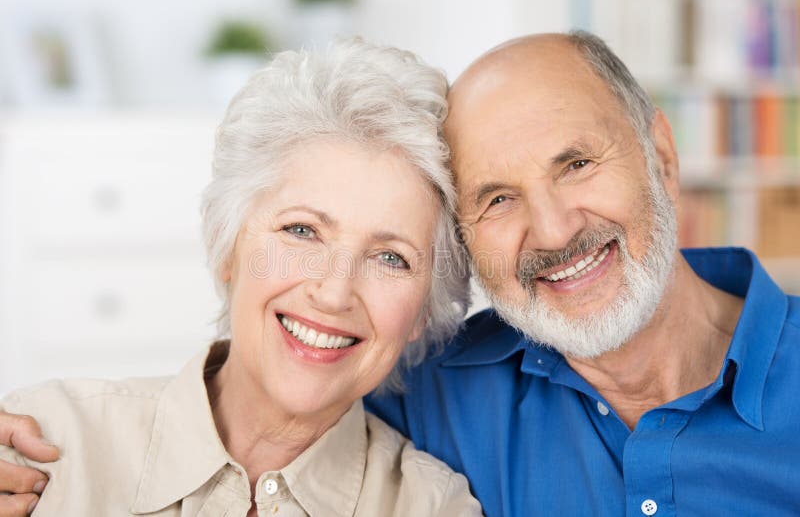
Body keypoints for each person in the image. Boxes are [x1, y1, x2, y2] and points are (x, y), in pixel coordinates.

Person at [4, 30, 800, 516]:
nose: (554, 229)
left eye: (579, 163)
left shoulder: (427, 492)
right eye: (497, 198)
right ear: (224, 241)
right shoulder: (45, 445)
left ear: (662, 153)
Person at [0, 38, 482, 516]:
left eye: (391, 258)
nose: (334, 293)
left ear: (424, 309)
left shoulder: (432, 506)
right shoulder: (48, 439)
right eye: (301, 230)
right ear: (228, 245)